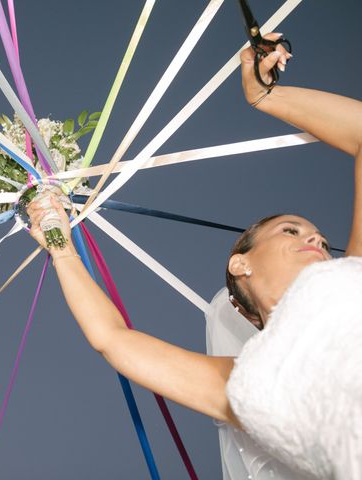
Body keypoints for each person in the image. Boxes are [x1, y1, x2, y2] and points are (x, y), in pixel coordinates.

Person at [27, 36, 362, 479]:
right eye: (291, 230)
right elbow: (113, 340)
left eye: (320, 237)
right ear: (241, 263)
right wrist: (60, 245)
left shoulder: (353, 275)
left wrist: (264, 94)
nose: (317, 241)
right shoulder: (241, 381)